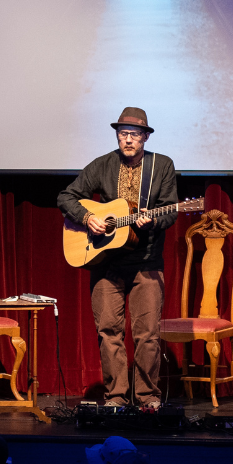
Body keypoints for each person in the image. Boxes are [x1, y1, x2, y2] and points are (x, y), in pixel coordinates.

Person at [57, 107, 179, 408]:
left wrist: (152, 220)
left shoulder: (162, 166)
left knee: (147, 334)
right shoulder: (103, 164)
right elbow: (66, 197)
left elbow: (171, 210)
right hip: (106, 264)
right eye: (123, 134)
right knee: (108, 331)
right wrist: (88, 218)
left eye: (134, 135)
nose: (128, 140)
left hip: (146, 263)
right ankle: (116, 399)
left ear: (145, 138)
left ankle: (148, 398)